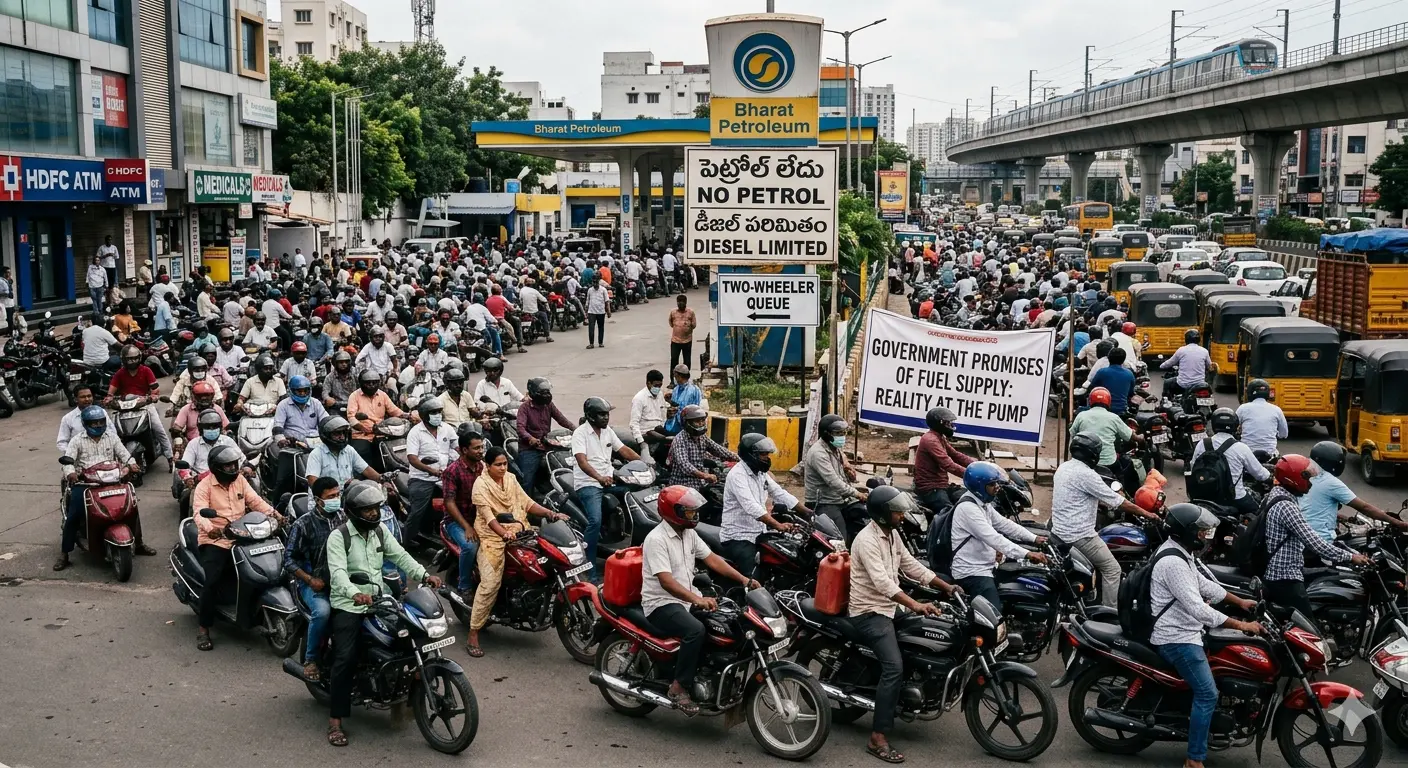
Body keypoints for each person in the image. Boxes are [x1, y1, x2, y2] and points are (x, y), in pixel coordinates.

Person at [849, 486, 960, 764]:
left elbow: (911, 565)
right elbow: (883, 583)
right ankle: (877, 737)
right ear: (884, 514)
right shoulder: (867, 540)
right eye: (897, 511)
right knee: (893, 667)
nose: (901, 515)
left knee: (925, 633)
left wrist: (945, 586)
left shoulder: (892, 535)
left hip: (891, 608)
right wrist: (915, 604)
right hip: (869, 612)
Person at [324, 481, 439, 747]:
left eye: (376, 509)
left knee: (411, 640)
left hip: (380, 600)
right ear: (354, 512)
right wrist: (354, 593)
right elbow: (338, 573)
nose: (375, 514)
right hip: (348, 604)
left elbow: (400, 556)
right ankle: (335, 721)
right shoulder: (338, 537)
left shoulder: (380, 531)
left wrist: (424, 574)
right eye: (368, 511)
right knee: (345, 658)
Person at [1149, 503, 1263, 768]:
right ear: (1186, 532)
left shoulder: (1180, 552)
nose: (1203, 536)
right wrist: (1242, 625)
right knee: (1207, 693)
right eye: (1199, 532)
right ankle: (1194, 759)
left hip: (1188, 629)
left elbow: (1204, 584)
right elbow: (1198, 608)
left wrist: (1239, 601)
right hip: (1176, 637)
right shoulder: (1173, 562)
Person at [640, 485, 759, 713]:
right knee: (695, 630)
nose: (695, 515)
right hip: (660, 603)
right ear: (673, 511)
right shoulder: (657, 539)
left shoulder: (689, 533)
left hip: (685, 600)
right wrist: (697, 598)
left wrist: (744, 580)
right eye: (689, 511)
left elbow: (713, 560)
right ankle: (679, 687)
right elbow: (666, 582)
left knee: (724, 624)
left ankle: (706, 673)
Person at [465, 446, 567, 656]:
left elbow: (527, 504)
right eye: (498, 465)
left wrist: (551, 514)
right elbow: (489, 518)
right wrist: (503, 533)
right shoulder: (480, 485)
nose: (503, 468)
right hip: (493, 537)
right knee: (490, 583)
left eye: (505, 464)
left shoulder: (510, 479)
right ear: (488, 465)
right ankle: (473, 633)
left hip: (521, 531)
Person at [190, 445, 281, 650]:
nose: (233, 468)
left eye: (234, 464)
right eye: (228, 465)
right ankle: (204, 629)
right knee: (212, 581)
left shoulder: (240, 480)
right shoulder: (204, 487)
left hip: (243, 535)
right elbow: (198, 513)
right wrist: (210, 528)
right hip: (217, 540)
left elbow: (256, 501)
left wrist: (276, 515)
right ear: (216, 467)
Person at [1053, 433, 1159, 606]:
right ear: (1093, 454)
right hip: (1080, 536)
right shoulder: (1087, 474)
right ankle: (1110, 613)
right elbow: (1119, 501)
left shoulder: (1064, 467)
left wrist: (1100, 501)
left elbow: (1079, 494)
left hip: (1059, 530)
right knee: (1112, 569)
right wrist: (1147, 514)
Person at [1263, 455, 1366, 618]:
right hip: (1284, 575)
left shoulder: (1279, 493)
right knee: (1309, 629)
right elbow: (1315, 543)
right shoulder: (1286, 506)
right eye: (1307, 479)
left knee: (1328, 573)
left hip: (1290, 566)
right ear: (1294, 480)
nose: (1310, 483)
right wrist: (1351, 557)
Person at [55, 407, 150, 571]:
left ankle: (139, 543)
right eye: (94, 422)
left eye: (101, 422)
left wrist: (132, 464)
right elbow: (69, 462)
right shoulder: (77, 440)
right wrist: (71, 474)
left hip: (113, 482)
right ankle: (65, 553)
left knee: (132, 509)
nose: (98, 425)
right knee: (73, 517)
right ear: (85, 424)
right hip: (86, 484)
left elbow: (125, 455)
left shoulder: (112, 437)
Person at [948, 461, 1046, 609]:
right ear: (980, 487)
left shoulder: (982, 503)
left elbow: (1005, 524)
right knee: (994, 615)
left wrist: (1034, 538)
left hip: (988, 565)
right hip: (973, 572)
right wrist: (1027, 554)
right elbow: (994, 538)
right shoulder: (968, 508)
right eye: (992, 485)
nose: (997, 488)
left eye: (997, 483)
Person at [719, 433, 812, 579]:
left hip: (759, 532)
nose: (767, 458)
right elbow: (751, 506)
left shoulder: (760, 473)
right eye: (763, 454)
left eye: (768, 454)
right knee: (754, 578)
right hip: (738, 537)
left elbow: (780, 493)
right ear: (750, 454)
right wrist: (777, 525)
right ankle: (748, 599)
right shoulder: (737, 475)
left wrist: (808, 513)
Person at [571, 397, 643, 576]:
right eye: (601, 415)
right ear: (590, 416)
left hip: (609, 480)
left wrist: (645, 463)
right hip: (589, 483)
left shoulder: (607, 431)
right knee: (595, 520)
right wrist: (599, 477)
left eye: (607, 414)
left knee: (635, 494)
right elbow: (582, 461)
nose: (606, 418)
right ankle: (589, 568)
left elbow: (623, 450)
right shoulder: (580, 434)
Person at [284, 476, 342, 679]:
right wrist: (310, 580)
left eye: (338, 494)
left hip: (341, 580)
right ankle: (311, 659)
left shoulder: (343, 518)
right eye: (331, 496)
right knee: (323, 612)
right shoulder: (303, 524)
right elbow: (288, 560)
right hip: (312, 584)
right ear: (318, 500)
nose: (336, 499)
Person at [1301, 441, 1408, 541]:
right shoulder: (1330, 482)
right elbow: (1365, 507)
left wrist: (1341, 517)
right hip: (1321, 540)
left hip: (1302, 535)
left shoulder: (1304, 478)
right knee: (1360, 557)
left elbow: (1311, 507)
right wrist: (1398, 523)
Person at [1190, 408, 1269, 517]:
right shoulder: (1241, 447)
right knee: (1261, 516)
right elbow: (1261, 475)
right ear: (1235, 426)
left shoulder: (1202, 444)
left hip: (1204, 497)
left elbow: (1192, 466)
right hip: (1235, 498)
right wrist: (1270, 476)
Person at [107, 345, 174, 469]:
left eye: (134, 358)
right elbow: (111, 390)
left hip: (144, 405)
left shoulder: (146, 370)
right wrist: (109, 398)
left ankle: (170, 458)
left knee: (158, 429)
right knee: (111, 432)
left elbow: (155, 389)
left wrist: (153, 396)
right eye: (128, 359)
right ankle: (111, 461)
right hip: (124, 407)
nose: (131, 361)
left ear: (139, 358)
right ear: (123, 360)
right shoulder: (120, 373)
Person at [802, 414, 867, 536]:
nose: (842, 436)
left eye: (843, 433)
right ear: (826, 434)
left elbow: (844, 470)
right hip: (823, 502)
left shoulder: (835, 448)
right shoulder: (818, 453)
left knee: (861, 519)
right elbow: (833, 481)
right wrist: (857, 494)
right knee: (840, 537)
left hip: (839, 499)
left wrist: (849, 470)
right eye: (838, 433)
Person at [441, 430, 486, 605]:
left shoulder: (483, 467)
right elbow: (449, 503)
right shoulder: (452, 471)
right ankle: (464, 586)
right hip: (456, 522)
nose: (481, 451)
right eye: (476, 448)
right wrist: (467, 527)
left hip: (481, 519)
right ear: (464, 450)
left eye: (482, 447)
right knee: (470, 546)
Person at [404, 399, 456, 541]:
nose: (437, 415)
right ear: (425, 415)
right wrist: (430, 470)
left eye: (439, 412)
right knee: (416, 513)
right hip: (421, 478)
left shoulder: (447, 428)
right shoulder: (415, 432)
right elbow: (412, 458)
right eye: (433, 413)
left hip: (444, 476)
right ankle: (406, 542)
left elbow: (457, 447)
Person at [912, 407, 974, 516]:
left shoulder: (939, 437)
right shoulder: (930, 440)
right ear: (939, 423)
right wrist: (972, 476)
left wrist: (977, 465)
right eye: (947, 423)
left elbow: (956, 455)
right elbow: (948, 465)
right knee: (949, 514)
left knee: (969, 501)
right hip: (930, 488)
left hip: (942, 485)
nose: (950, 425)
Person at [1069, 387, 1139, 483]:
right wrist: (1141, 438)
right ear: (1108, 402)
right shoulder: (1114, 418)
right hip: (1108, 462)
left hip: (1084, 461)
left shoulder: (1081, 415)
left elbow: (1072, 434)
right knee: (1122, 478)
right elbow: (1130, 436)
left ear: (1090, 401)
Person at [515, 377, 573, 492]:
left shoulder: (549, 405)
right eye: (543, 393)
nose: (546, 395)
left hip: (547, 445)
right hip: (530, 449)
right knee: (527, 481)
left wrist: (576, 429)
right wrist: (530, 438)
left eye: (548, 392)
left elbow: (562, 419)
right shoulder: (524, 408)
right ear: (533, 393)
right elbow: (520, 428)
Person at [667, 404, 739, 489]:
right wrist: (705, 476)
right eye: (697, 422)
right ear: (687, 423)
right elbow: (684, 465)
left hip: (701, 483)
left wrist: (740, 459)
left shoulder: (702, 437)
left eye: (702, 421)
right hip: (684, 485)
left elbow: (718, 450)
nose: (701, 424)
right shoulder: (680, 440)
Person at [305, 416, 381, 488]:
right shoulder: (316, 454)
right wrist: (332, 491)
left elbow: (366, 470)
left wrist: (383, 479)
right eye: (337, 433)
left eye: (343, 433)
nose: (342, 437)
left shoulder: (349, 450)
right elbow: (312, 482)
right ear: (326, 435)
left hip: (347, 496)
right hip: (325, 499)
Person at [347, 369, 404, 464]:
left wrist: (408, 416)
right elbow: (351, 418)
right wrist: (363, 428)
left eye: (374, 383)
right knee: (362, 452)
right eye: (368, 383)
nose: (371, 385)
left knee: (397, 449)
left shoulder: (382, 395)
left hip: (382, 433)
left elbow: (395, 411)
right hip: (362, 436)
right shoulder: (354, 396)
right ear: (361, 383)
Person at [1235, 378, 1288, 457]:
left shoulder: (1243, 408)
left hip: (1247, 453)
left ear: (1249, 393)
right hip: (1270, 454)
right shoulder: (1277, 410)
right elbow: (1284, 433)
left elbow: (1234, 426)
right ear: (1267, 393)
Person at [55, 384, 115, 454]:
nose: (87, 399)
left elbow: (112, 432)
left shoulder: (102, 412)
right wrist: (72, 454)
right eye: (83, 397)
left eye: (89, 396)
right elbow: (62, 442)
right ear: (75, 399)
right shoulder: (67, 418)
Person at [629, 369, 672, 463]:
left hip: (658, 428)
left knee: (674, 438)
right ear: (648, 383)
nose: (658, 388)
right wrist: (641, 441)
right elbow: (634, 423)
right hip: (646, 432)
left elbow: (662, 410)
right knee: (662, 440)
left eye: (660, 386)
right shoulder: (639, 399)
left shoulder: (660, 394)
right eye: (656, 386)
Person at [1160, 329, 1213, 396]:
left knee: (1167, 382)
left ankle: (1166, 402)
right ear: (1198, 339)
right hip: (1199, 384)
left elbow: (1170, 362)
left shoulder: (1181, 350)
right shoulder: (1204, 351)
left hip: (1183, 384)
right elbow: (1210, 366)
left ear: (1186, 339)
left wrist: (1161, 366)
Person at [1088, 347, 1136, 413]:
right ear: (1123, 359)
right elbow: (1131, 393)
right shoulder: (1129, 374)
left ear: (1108, 358)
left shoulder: (1102, 372)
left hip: (1103, 409)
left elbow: (1091, 389)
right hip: (1122, 410)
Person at [663, 364, 702, 434]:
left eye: (675, 376)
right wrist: (669, 401)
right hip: (675, 423)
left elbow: (696, 408)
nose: (674, 378)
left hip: (688, 424)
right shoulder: (676, 389)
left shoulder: (694, 390)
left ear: (679, 376)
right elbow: (676, 405)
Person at [668, 294, 696, 372]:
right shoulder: (673, 312)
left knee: (687, 361)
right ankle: (673, 379)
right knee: (674, 359)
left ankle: (686, 379)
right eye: (679, 302)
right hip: (675, 340)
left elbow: (694, 325)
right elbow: (670, 323)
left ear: (686, 302)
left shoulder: (691, 312)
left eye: (682, 302)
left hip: (687, 340)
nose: (681, 303)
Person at [584, 278, 610, 349]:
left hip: (601, 311)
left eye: (596, 283)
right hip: (591, 311)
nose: (595, 285)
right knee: (591, 328)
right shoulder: (590, 290)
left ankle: (600, 342)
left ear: (598, 283)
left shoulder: (603, 290)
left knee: (601, 327)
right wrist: (586, 312)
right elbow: (587, 301)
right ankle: (591, 343)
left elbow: (607, 301)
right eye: (594, 283)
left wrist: (608, 311)